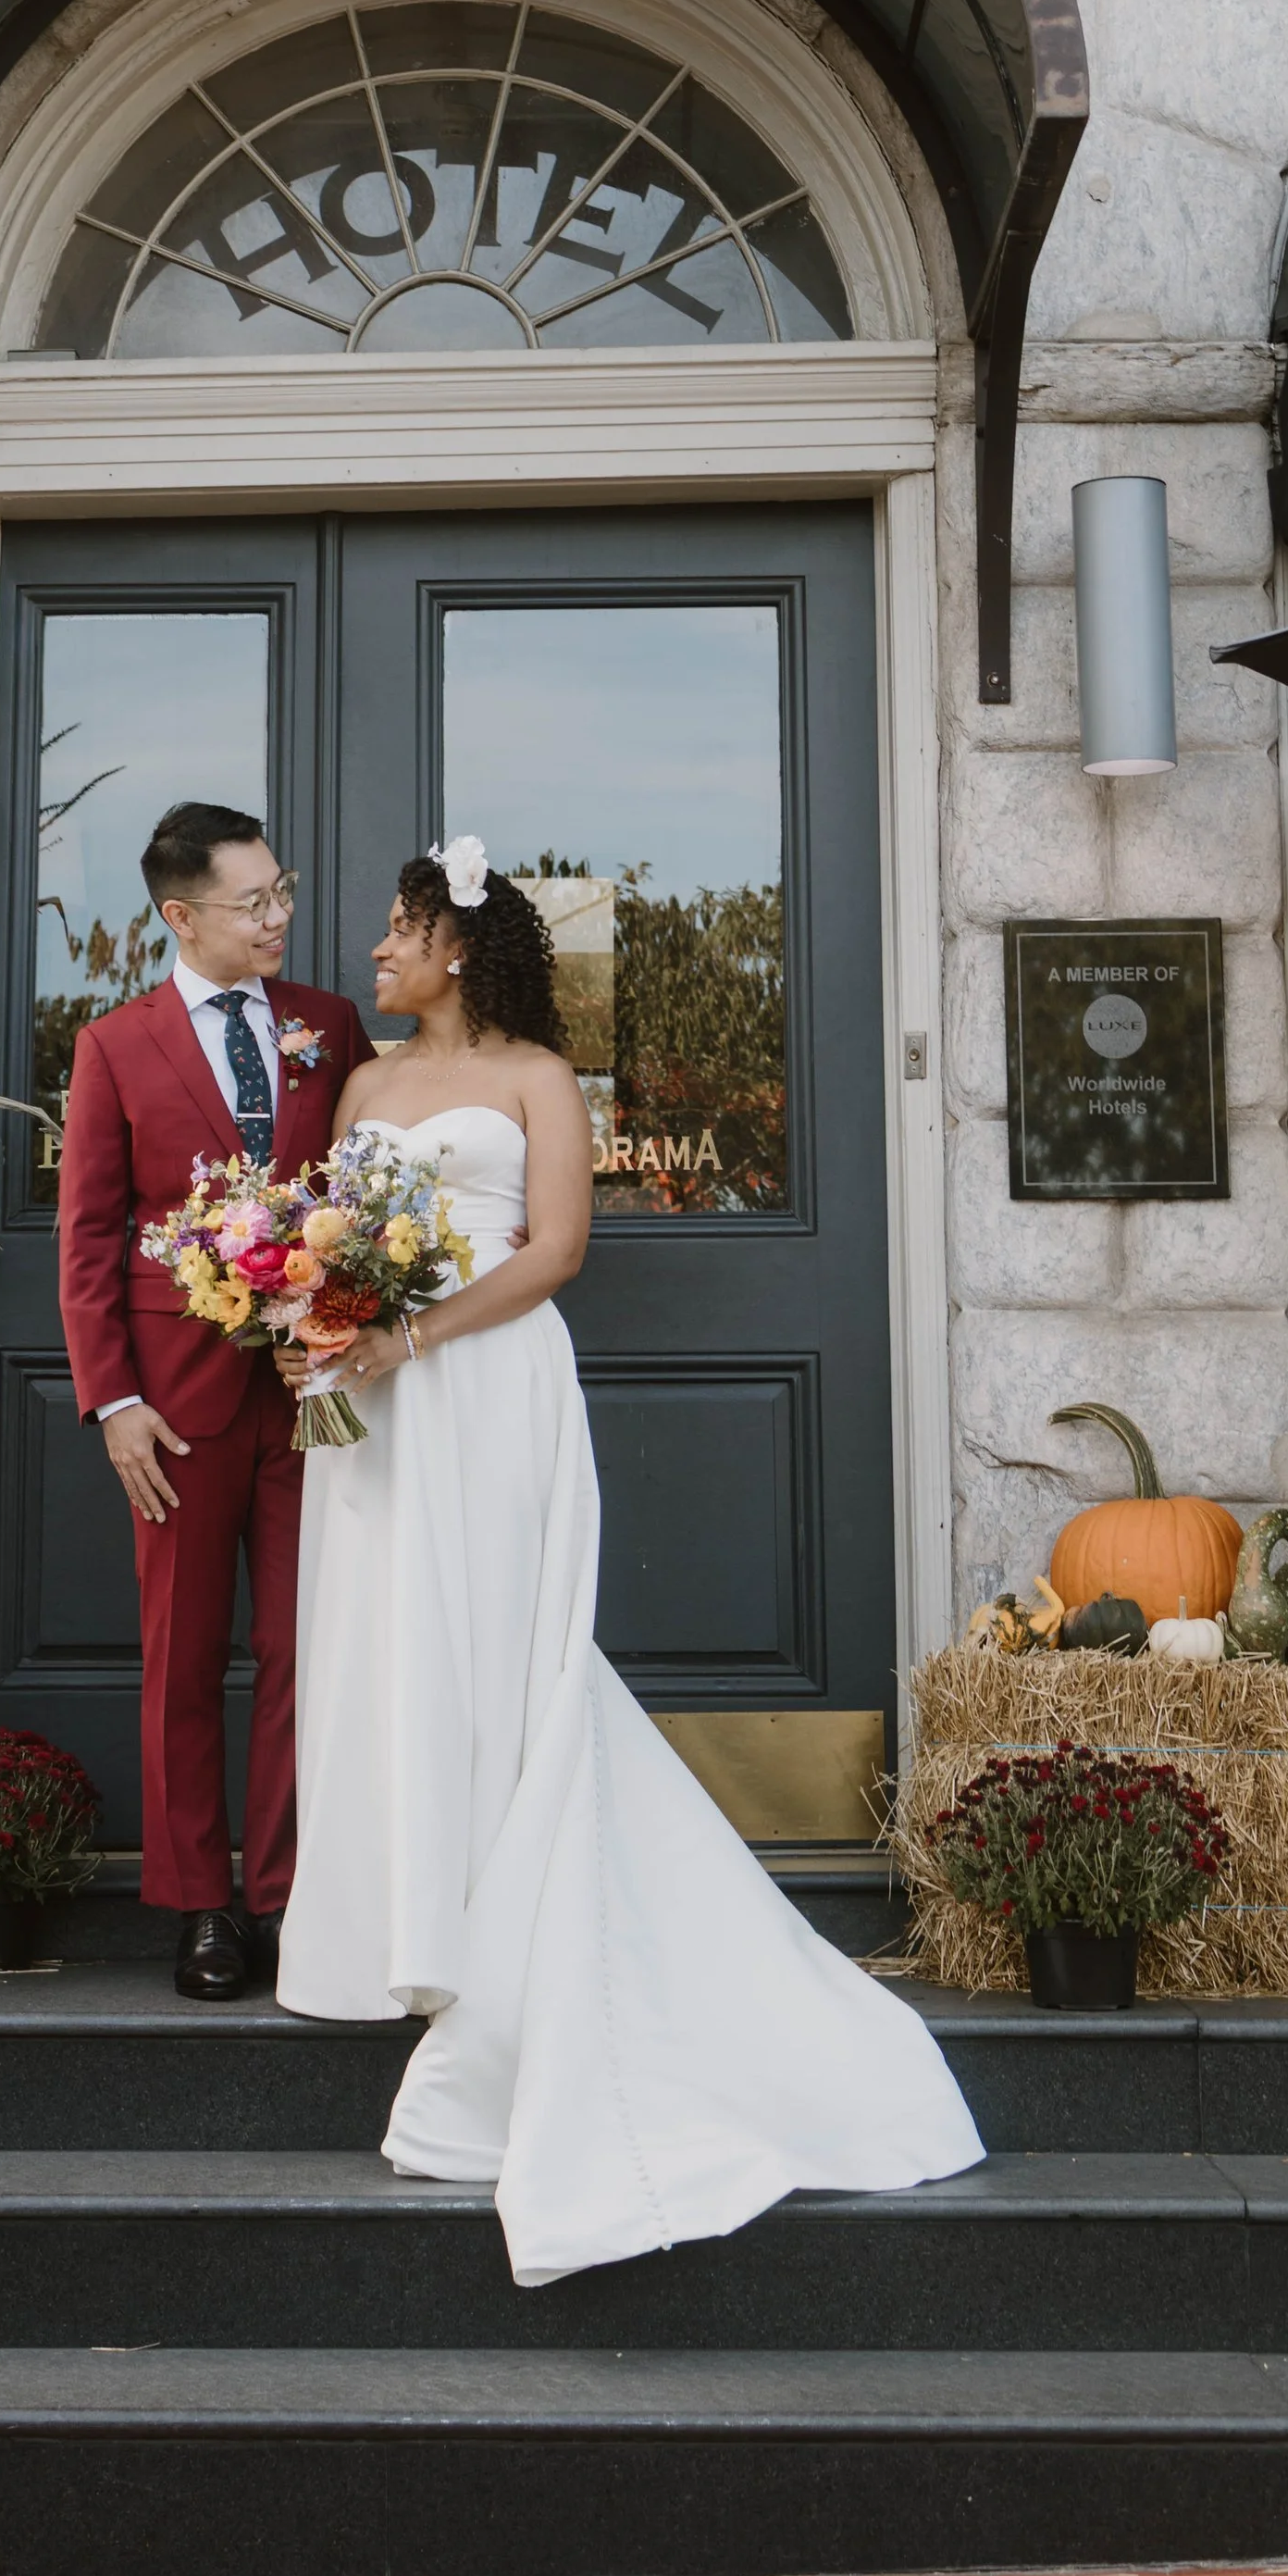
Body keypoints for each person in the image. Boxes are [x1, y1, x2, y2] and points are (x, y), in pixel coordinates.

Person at [275, 834, 985, 2284]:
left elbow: (553, 1252)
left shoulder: (537, 1079)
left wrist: (410, 1335)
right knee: (383, 1643)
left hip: (485, 1381)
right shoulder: (359, 1085)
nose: (376, 951)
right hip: (374, 1402)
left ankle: (504, 1920)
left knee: (494, 1639)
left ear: (459, 944)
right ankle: (396, 1923)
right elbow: (327, 1234)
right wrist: (320, 1322)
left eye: (400, 930)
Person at [58, 803, 376, 2000]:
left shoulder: (330, 1028)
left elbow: (366, 1194)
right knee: (181, 1657)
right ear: (181, 917)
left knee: (301, 1649)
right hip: (171, 1408)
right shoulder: (114, 1045)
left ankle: (290, 1898)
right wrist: (113, 1401)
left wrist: (338, 1325)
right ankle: (202, 1905)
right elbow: (89, 1236)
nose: (280, 915)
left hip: (309, 1396)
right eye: (254, 903)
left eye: (281, 890)